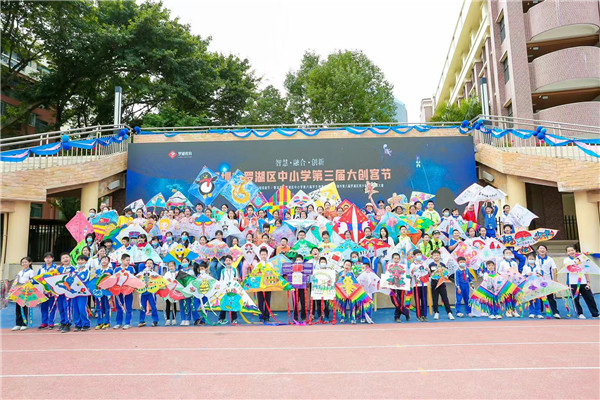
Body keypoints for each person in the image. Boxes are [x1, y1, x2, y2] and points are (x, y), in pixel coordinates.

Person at [563, 246, 599, 319]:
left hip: (583, 282)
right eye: (569, 251)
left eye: (572, 250)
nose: (571, 252)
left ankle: (595, 313)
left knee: (590, 298)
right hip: (573, 282)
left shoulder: (582, 259)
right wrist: (578, 261)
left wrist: (588, 282)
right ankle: (579, 313)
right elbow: (570, 268)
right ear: (567, 253)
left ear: (575, 250)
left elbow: (586, 271)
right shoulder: (566, 260)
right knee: (575, 299)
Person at [535, 244, 561, 318]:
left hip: (548, 281)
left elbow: (554, 269)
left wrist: (555, 279)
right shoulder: (535, 258)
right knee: (538, 296)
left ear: (546, 251)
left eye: (543, 248)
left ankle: (555, 312)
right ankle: (539, 311)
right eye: (540, 248)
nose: (542, 250)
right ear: (538, 250)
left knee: (550, 297)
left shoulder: (550, 259)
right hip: (537, 281)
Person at [428, 250, 454, 320]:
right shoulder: (430, 265)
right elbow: (429, 274)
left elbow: (446, 273)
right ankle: (436, 312)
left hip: (442, 284)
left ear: (440, 256)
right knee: (435, 299)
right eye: (435, 255)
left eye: (437, 255)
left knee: (445, 298)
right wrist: (431, 274)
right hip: (434, 284)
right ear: (432, 256)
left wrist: (446, 276)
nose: (436, 256)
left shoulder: (443, 264)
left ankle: (449, 313)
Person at [12, 257, 35, 331]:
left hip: (26, 291)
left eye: (26, 262)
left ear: (30, 263)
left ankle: (24, 324)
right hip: (19, 291)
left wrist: (30, 281)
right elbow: (16, 281)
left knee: (25, 307)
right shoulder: (20, 272)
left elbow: (33, 280)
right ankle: (18, 324)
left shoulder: (31, 271)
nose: (24, 263)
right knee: (18, 307)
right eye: (23, 262)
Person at [113, 253, 135, 329]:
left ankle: (128, 323)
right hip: (118, 290)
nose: (128, 262)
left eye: (129, 260)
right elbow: (114, 279)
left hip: (128, 290)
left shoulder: (131, 268)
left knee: (128, 306)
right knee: (119, 306)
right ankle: (118, 323)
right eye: (126, 260)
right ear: (122, 260)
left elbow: (133, 279)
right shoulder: (116, 269)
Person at [387, 253, 410, 323]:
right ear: (392, 259)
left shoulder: (402, 267)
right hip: (392, 287)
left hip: (401, 287)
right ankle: (406, 312)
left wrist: (406, 288)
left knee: (401, 302)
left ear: (399, 259)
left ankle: (397, 317)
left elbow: (405, 277)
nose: (396, 260)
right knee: (396, 303)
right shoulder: (389, 267)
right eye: (395, 258)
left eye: (397, 259)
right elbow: (387, 277)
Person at [497, 248, 521, 317]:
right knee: (508, 297)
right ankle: (508, 311)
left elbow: (516, 272)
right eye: (507, 253)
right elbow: (499, 272)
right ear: (504, 255)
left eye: (510, 253)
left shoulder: (514, 263)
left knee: (514, 297)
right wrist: (506, 273)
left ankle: (514, 311)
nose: (508, 254)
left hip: (514, 282)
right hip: (506, 282)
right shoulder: (502, 263)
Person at [38, 252, 58, 330]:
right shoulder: (41, 269)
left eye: (49, 257)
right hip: (43, 291)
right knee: (43, 307)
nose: (48, 259)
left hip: (52, 291)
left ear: (52, 258)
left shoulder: (56, 267)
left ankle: (51, 322)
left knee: (52, 307)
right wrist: (31, 281)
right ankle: (44, 322)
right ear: (44, 259)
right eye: (46, 258)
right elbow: (37, 279)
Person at [137, 259, 160, 327]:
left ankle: (155, 320)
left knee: (153, 306)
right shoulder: (141, 273)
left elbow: (159, 281)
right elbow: (137, 280)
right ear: (145, 264)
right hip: (143, 292)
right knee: (142, 307)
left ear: (153, 265)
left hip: (151, 293)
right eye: (148, 263)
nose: (149, 264)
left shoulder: (155, 274)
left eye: (151, 263)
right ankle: (141, 321)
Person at [217, 255, 239, 325]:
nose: (228, 262)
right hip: (225, 289)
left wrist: (236, 279)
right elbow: (221, 280)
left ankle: (234, 319)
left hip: (232, 290)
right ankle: (221, 318)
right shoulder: (223, 271)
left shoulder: (234, 270)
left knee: (233, 304)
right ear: (224, 262)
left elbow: (237, 278)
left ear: (232, 261)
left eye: (229, 260)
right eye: (227, 260)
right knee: (224, 303)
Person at [409, 250, 430, 321]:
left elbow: (429, 273)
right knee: (417, 300)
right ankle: (418, 315)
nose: (419, 256)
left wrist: (428, 270)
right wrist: (412, 270)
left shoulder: (424, 263)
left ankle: (424, 315)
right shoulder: (412, 264)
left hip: (424, 284)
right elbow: (411, 275)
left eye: (420, 254)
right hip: (416, 285)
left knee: (424, 300)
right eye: (417, 254)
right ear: (414, 256)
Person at [254, 248, 274, 322]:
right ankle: (261, 316)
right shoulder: (257, 265)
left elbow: (273, 274)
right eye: (262, 254)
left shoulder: (270, 264)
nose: (263, 256)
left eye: (265, 254)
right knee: (260, 302)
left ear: (267, 255)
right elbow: (254, 274)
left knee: (267, 301)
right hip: (260, 286)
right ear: (260, 255)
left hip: (268, 285)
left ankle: (267, 316)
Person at [57, 252, 75, 333]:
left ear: (70, 258)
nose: (65, 259)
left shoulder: (73, 269)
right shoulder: (59, 269)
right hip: (59, 291)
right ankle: (63, 322)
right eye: (63, 258)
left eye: (67, 257)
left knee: (67, 307)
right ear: (61, 260)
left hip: (68, 291)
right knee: (60, 307)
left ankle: (68, 323)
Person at [73, 255, 91, 332]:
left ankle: (86, 324)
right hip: (74, 292)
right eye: (79, 260)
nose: (80, 262)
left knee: (82, 308)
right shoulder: (74, 271)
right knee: (75, 308)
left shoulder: (87, 271)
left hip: (82, 293)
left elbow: (85, 280)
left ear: (86, 261)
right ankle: (78, 324)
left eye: (82, 260)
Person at [94, 255, 113, 329]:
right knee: (99, 307)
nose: (104, 261)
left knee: (107, 307)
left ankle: (107, 322)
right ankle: (99, 323)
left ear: (108, 262)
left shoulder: (110, 270)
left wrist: (110, 276)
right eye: (102, 260)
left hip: (107, 291)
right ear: (100, 261)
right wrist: (94, 276)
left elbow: (113, 280)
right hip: (99, 291)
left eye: (106, 260)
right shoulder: (97, 271)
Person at [522, 254, 543, 319]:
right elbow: (523, 276)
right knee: (530, 298)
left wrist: (539, 275)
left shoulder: (537, 266)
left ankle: (538, 313)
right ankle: (532, 312)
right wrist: (527, 275)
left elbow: (540, 274)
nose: (531, 260)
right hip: (529, 284)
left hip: (536, 284)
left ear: (535, 259)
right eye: (529, 259)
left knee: (537, 299)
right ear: (527, 259)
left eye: (532, 259)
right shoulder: (525, 267)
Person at [179, 257, 195, 326]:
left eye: (186, 262)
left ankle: (188, 319)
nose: (184, 263)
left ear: (188, 262)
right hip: (181, 290)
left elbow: (193, 280)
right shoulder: (180, 271)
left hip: (188, 290)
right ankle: (183, 319)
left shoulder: (191, 271)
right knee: (181, 305)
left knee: (188, 305)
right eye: (183, 262)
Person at [292, 255, 308, 322]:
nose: (298, 261)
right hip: (294, 287)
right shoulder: (292, 267)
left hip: (302, 287)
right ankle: (295, 317)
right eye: (297, 260)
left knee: (303, 302)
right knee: (295, 302)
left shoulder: (305, 267)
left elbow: (308, 275)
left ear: (302, 261)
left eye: (300, 260)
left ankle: (303, 317)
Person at [163, 261, 178, 326]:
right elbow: (164, 281)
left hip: (174, 291)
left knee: (174, 304)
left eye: (172, 266)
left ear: (175, 266)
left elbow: (178, 281)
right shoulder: (167, 274)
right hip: (168, 291)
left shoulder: (177, 273)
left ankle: (174, 319)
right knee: (168, 304)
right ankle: (168, 319)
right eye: (169, 266)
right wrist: (167, 280)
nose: (171, 267)